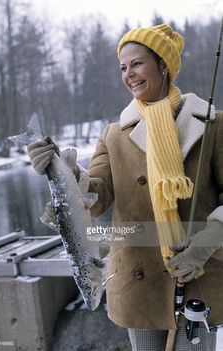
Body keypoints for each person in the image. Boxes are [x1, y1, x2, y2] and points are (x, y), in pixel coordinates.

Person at [27, 24, 223, 351]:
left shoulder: (213, 125)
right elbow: (96, 196)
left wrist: (203, 247)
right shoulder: (113, 134)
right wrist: (63, 169)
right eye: (122, 67)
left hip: (196, 274)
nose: (128, 74)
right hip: (136, 278)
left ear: (164, 65)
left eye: (136, 63)